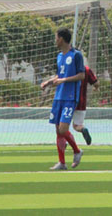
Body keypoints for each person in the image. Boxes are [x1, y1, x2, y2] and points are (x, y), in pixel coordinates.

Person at [40, 28, 85, 170]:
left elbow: (82, 75)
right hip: (58, 97)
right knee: (57, 130)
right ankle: (62, 163)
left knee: (63, 128)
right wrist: (48, 82)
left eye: (56, 37)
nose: (55, 40)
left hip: (70, 97)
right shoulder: (59, 56)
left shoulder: (76, 55)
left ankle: (77, 151)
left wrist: (64, 80)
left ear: (61, 39)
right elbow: (60, 75)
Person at [72, 65, 99, 145]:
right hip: (81, 102)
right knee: (77, 125)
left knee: (62, 125)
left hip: (68, 101)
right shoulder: (86, 69)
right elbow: (96, 83)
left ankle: (65, 142)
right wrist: (96, 88)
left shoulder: (70, 67)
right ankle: (83, 129)